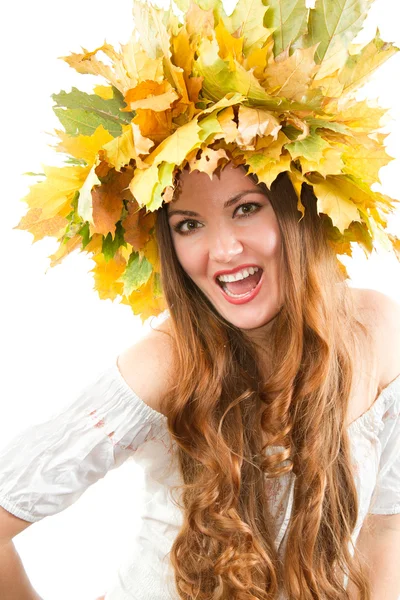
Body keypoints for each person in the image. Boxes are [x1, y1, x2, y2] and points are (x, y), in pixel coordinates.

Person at [0, 0, 400, 598]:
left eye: (246, 209)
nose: (222, 250)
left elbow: (385, 528)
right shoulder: (165, 362)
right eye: (189, 224)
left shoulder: (377, 328)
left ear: (299, 214)